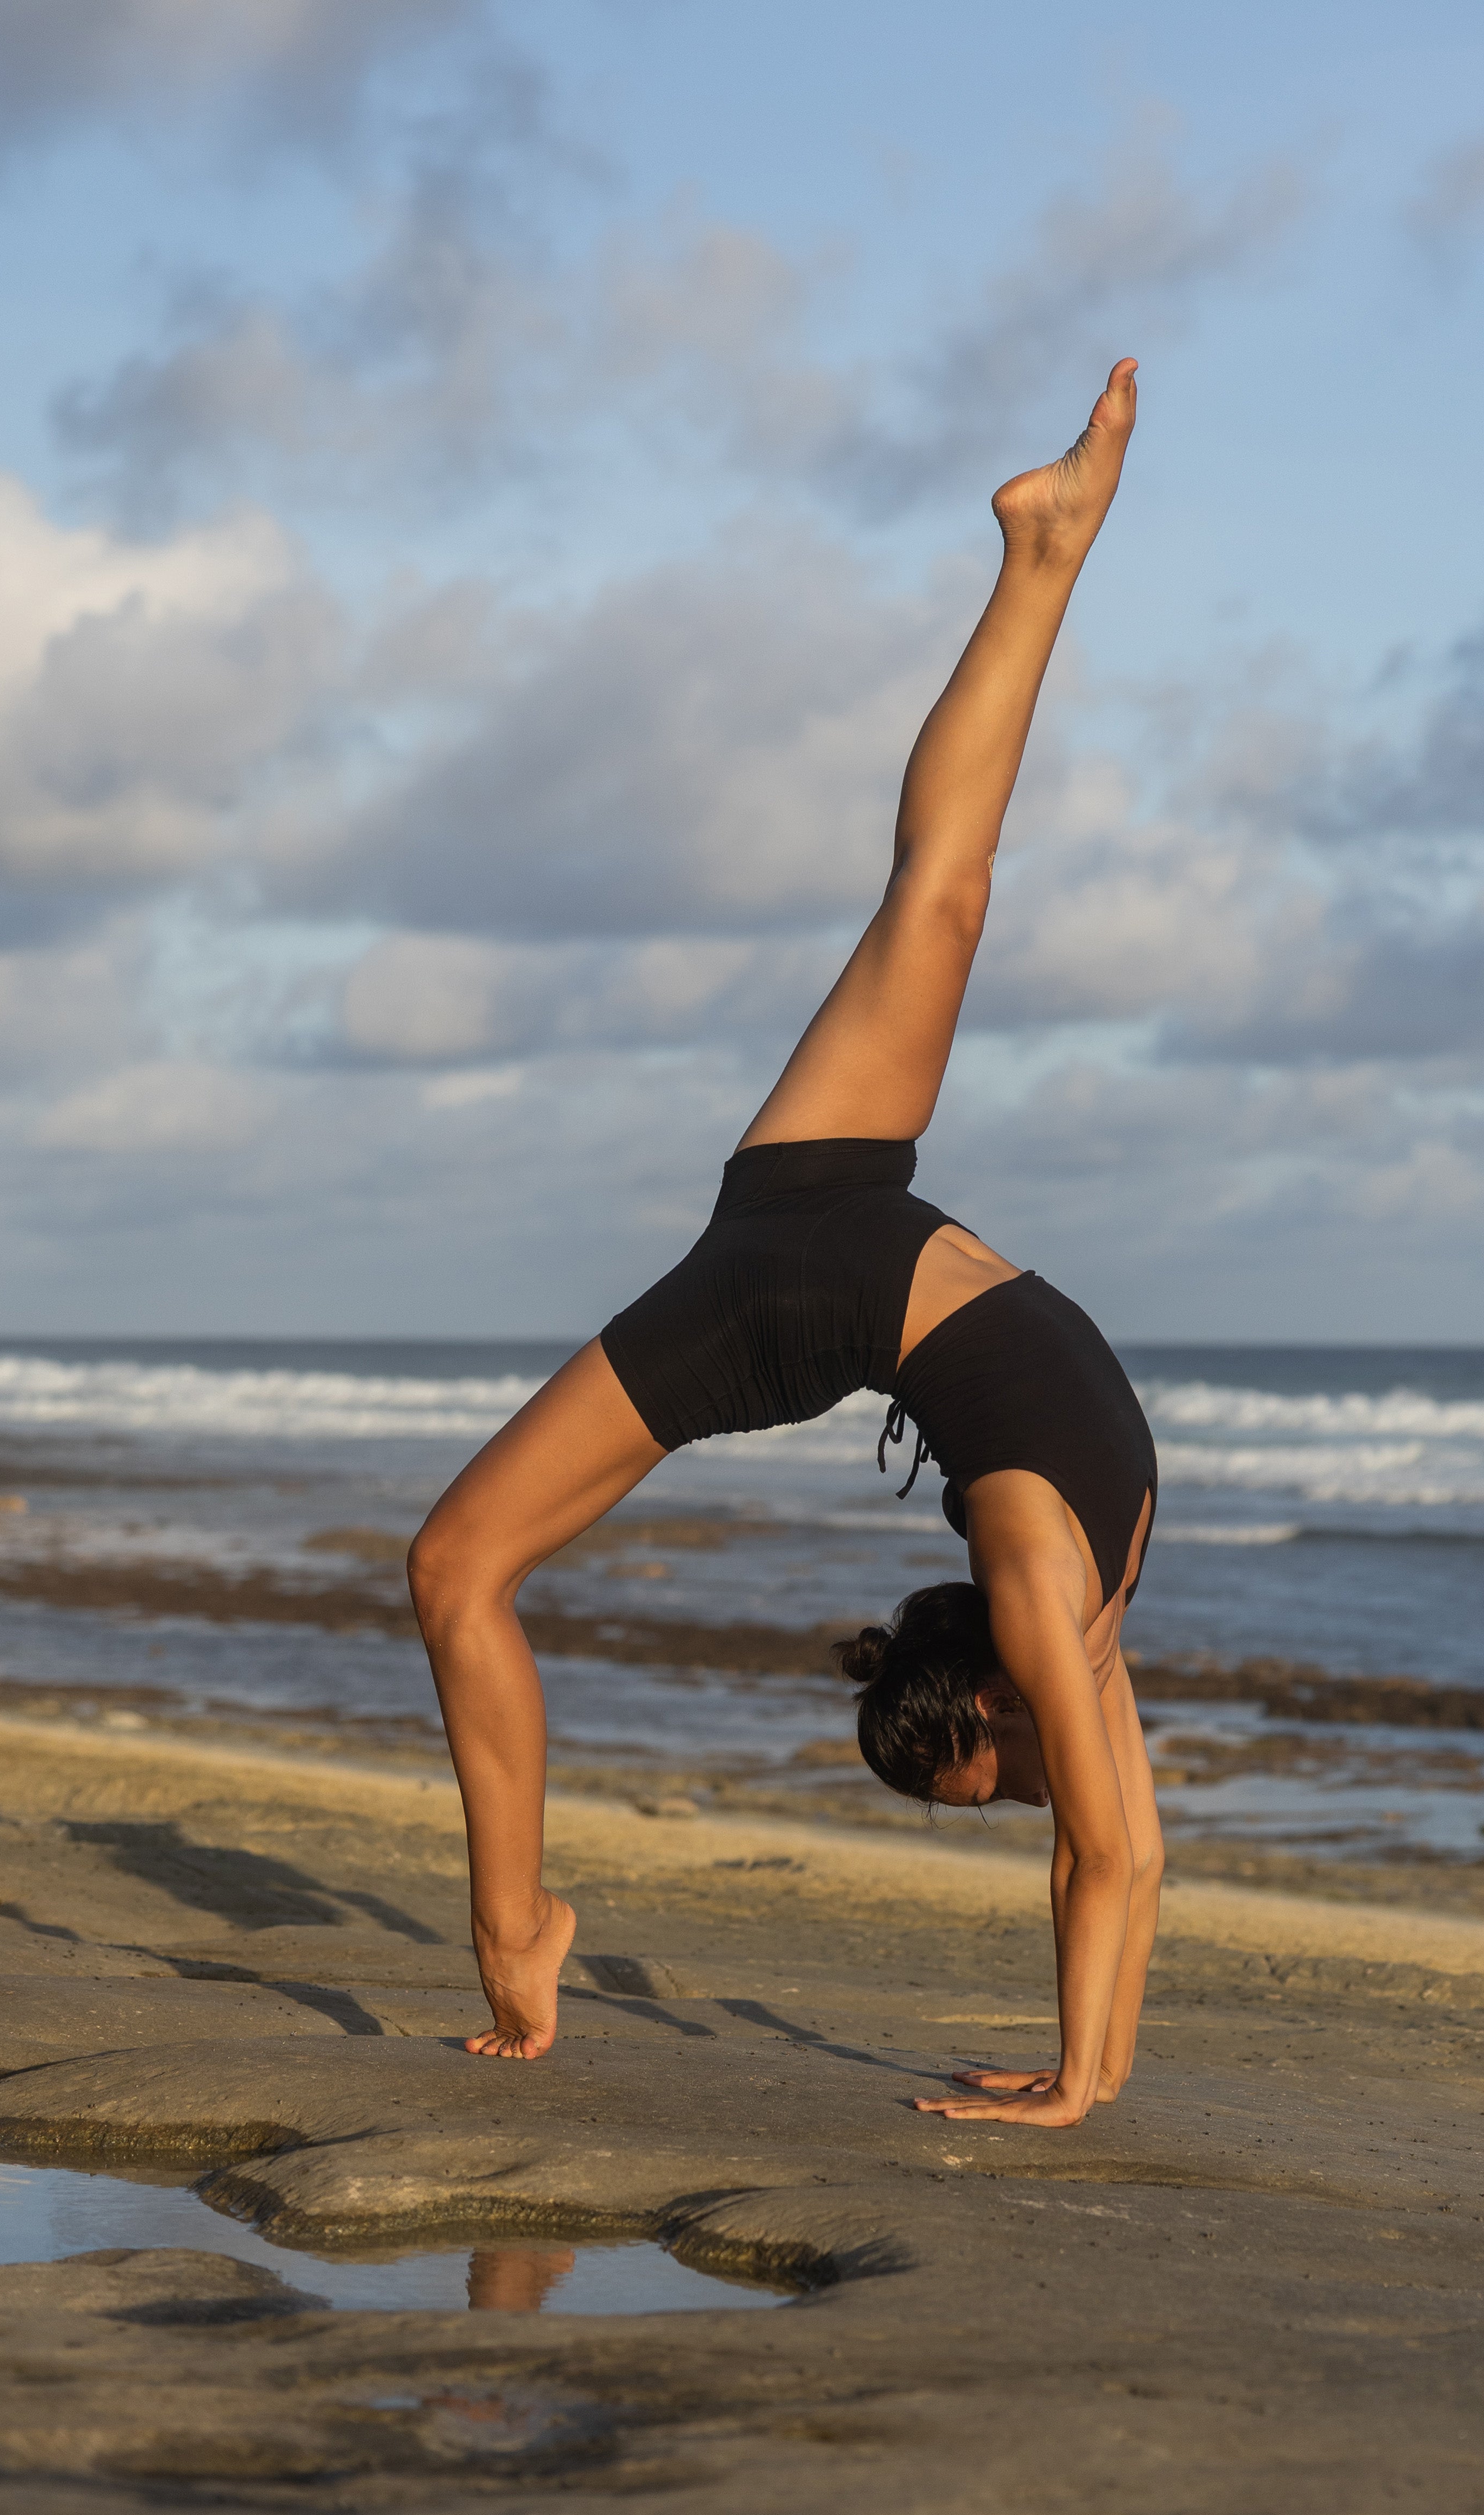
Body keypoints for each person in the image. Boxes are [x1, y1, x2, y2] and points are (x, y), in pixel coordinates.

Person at [408, 360, 1161, 2131]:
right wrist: (1078, 2083)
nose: (1037, 1786)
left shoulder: (1073, 1591)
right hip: (810, 1260)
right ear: (989, 1691)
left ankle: (518, 1934)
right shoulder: (1045, 1582)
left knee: (939, 890)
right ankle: (1048, 555)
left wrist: (1086, 2077)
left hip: (820, 1250)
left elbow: (1119, 1853)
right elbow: (1117, 1859)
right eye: (1007, 1779)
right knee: (456, 1569)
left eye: (1000, 1777)